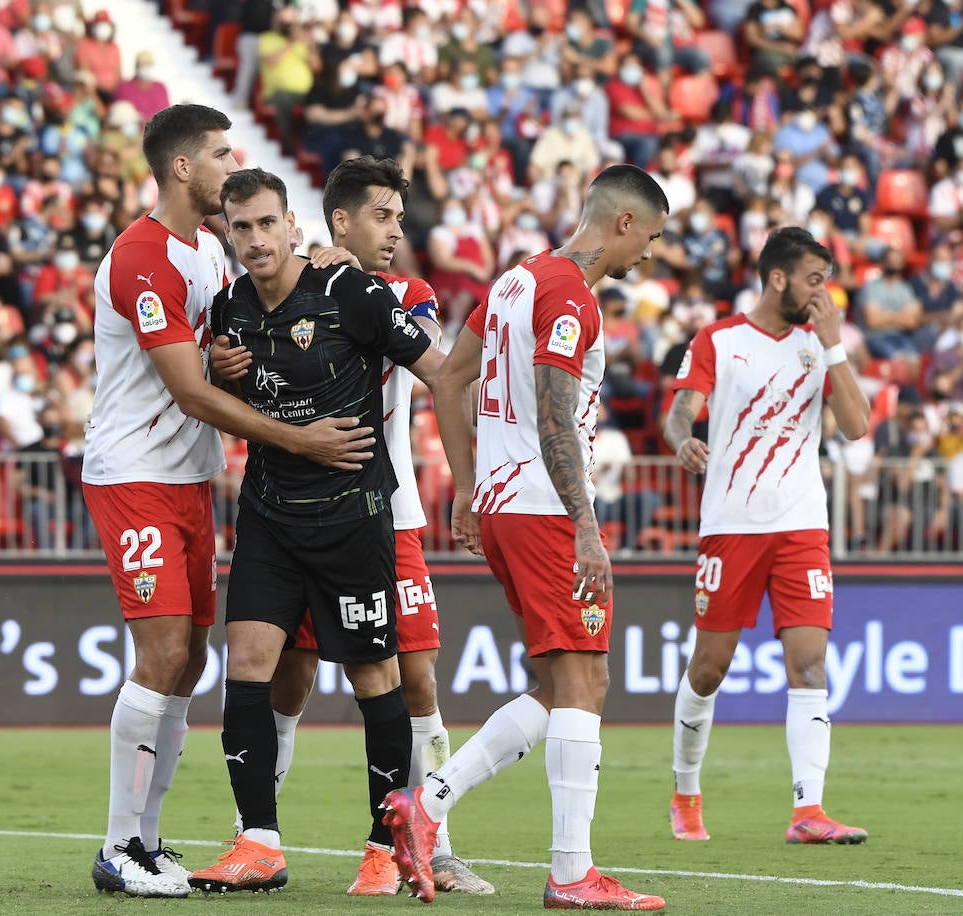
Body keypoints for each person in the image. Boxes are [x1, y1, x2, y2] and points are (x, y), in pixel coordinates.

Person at [84, 104, 374, 899]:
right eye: (219, 152)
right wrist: (300, 439)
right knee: (165, 655)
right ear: (184, 168)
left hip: (187, 480)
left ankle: (146, 840)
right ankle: (118, 846)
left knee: (187, 665)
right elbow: (188, 390)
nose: (229, 161)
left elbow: (237, 339)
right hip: (135, 474)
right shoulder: (143, 256)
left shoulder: (209, 250)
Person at [382, 164, 671, 909]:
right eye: (652, 239)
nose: (649, 257)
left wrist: (473, 486)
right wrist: (586, 527)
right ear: (624, 223)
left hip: (508, 504)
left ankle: (428, 804)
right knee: (584, 682)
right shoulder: (572, 294)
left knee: (558, 683)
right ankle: (572, 873)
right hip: (545, 509)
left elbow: (447, 379)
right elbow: (555, 412)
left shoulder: (514, 281)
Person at [209, 156, 492, 896]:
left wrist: (470, 481)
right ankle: (258, 841)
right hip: (270, 516)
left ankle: (397, 844)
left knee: (391, 676)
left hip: (362, 514)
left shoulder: (362, 292)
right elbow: (221, 383)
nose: (256, 237)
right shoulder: (230, 305)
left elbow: (440, 365)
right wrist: (217, 368)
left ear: (294, 225)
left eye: (269, 222)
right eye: (242, 227)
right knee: (261, 668)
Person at [664, 227, 872, 845]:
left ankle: (808, 812)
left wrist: (834, 346)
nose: (823, 293)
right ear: (778, 277)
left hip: (802, 526)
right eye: (814, 278)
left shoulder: (818, 346)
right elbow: (681, 409)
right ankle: (685, 790)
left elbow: (858, 428)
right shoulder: (720, 341)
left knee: (810, 666)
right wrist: (683, 440)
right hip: (731, 525)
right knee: (710, 667)